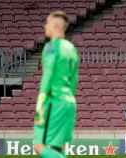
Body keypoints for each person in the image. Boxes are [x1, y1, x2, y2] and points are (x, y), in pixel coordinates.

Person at [33, 11, 79, 158]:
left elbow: (48, 75)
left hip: (54, 101)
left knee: (39, 146)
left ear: (55, 26)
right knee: (56, 148)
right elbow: (74, 80)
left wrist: (40, 103)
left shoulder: (51, 47)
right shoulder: (72, 48)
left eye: (47, 23)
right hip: (69, 102)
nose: (45, 26)